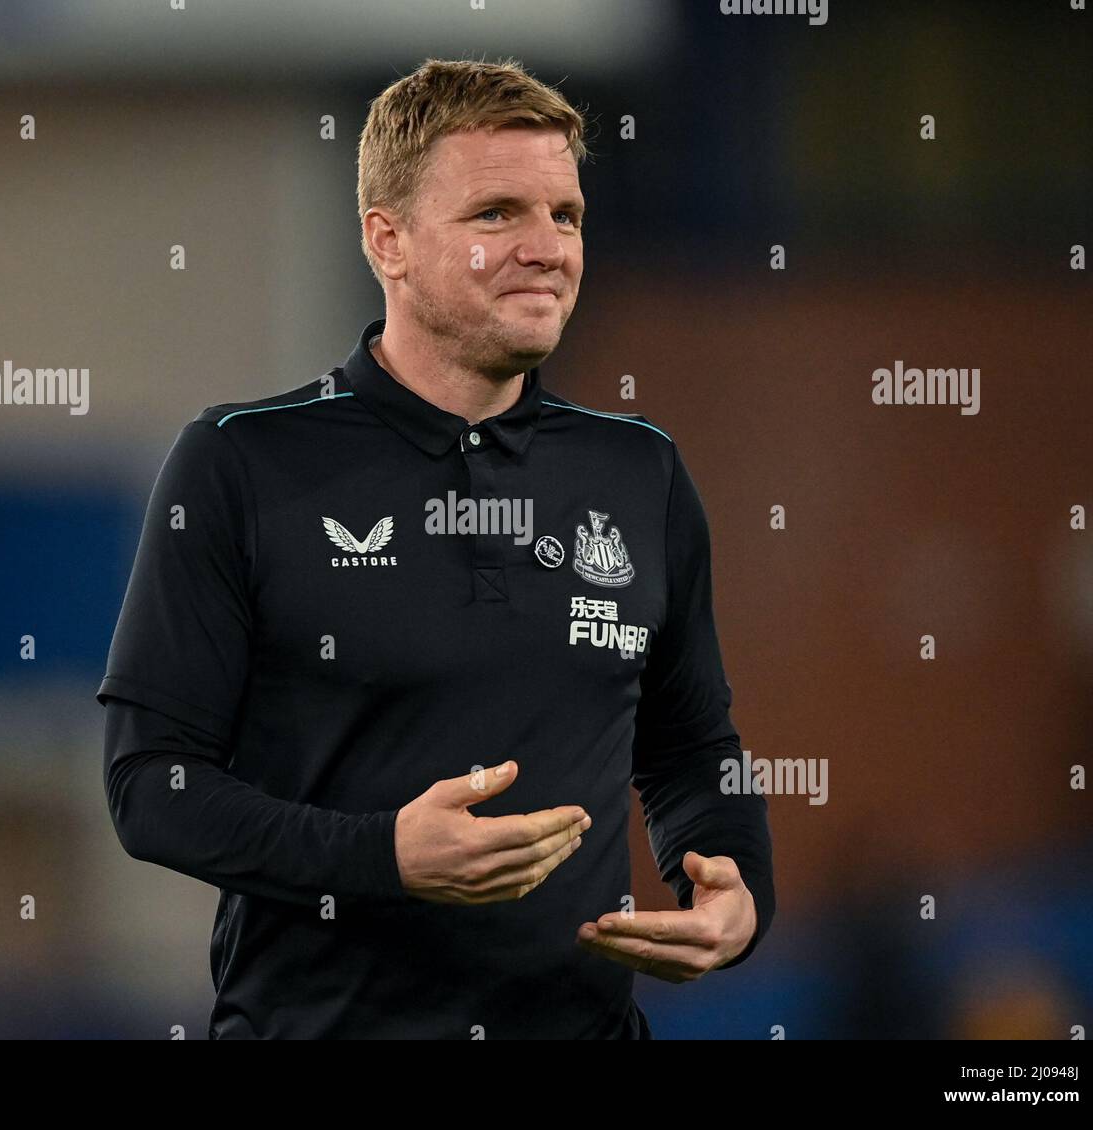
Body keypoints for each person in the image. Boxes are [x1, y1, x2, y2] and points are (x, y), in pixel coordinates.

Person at [96, 56, 773, 1039]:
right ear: (390, 241)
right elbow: (150, 785)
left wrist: (733, 887)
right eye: (497, 213)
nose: (547, 247)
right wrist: (383, 856)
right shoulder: (241, 461)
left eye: (566, 214)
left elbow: (688, 750)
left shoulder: (641, 473)